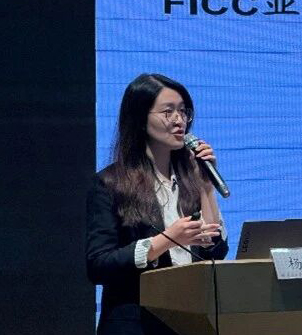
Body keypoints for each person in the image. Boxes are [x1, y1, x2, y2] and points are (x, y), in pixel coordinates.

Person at [86, 73, 228, 335]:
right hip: (136, 323)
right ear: (140, 118)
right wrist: (165, 240)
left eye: (183, 111)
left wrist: (207, 186)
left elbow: (215, 251)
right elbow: (98, 265)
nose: (179, 120)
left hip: (189, 320)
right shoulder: (111, 183)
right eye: (167, 111)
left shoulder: (190, 179)